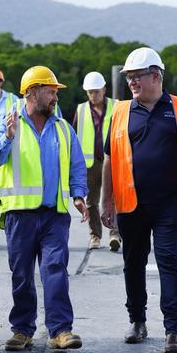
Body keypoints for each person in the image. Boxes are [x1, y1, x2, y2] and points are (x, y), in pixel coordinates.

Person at [100, 47, 177, 353]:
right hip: (130, 203)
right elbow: (109, 160)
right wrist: (105, 201)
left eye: (137, 77)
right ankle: (137, 321)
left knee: (168, 262)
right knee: (132, 264)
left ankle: (173, 331)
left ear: (155, 76)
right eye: (129, 78)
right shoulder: (121, 112)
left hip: (169, 203)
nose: (132, 83)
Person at [0, 66, 88, 351]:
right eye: (50, 91)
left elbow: (77, 166)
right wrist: (7, 137)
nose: (55, 97)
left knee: (55, 269)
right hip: (20, 213)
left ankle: (61, 330)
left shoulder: (63, 128)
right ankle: (22, 330)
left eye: (56, 92)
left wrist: (79, 195)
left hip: (54, 214)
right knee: (21, 274)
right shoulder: (10, 122)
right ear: (32, 92)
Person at [73, 72, 122, 251]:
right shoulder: (81, 110)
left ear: (104, 89)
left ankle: (115, 234)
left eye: (96, 91)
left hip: (112, 159)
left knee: (113, 198)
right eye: (90, 92)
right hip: (89, 162)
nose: (93, 95)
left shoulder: (116, 106)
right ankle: (95, 236)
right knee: (91, 201)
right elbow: (74, 137)